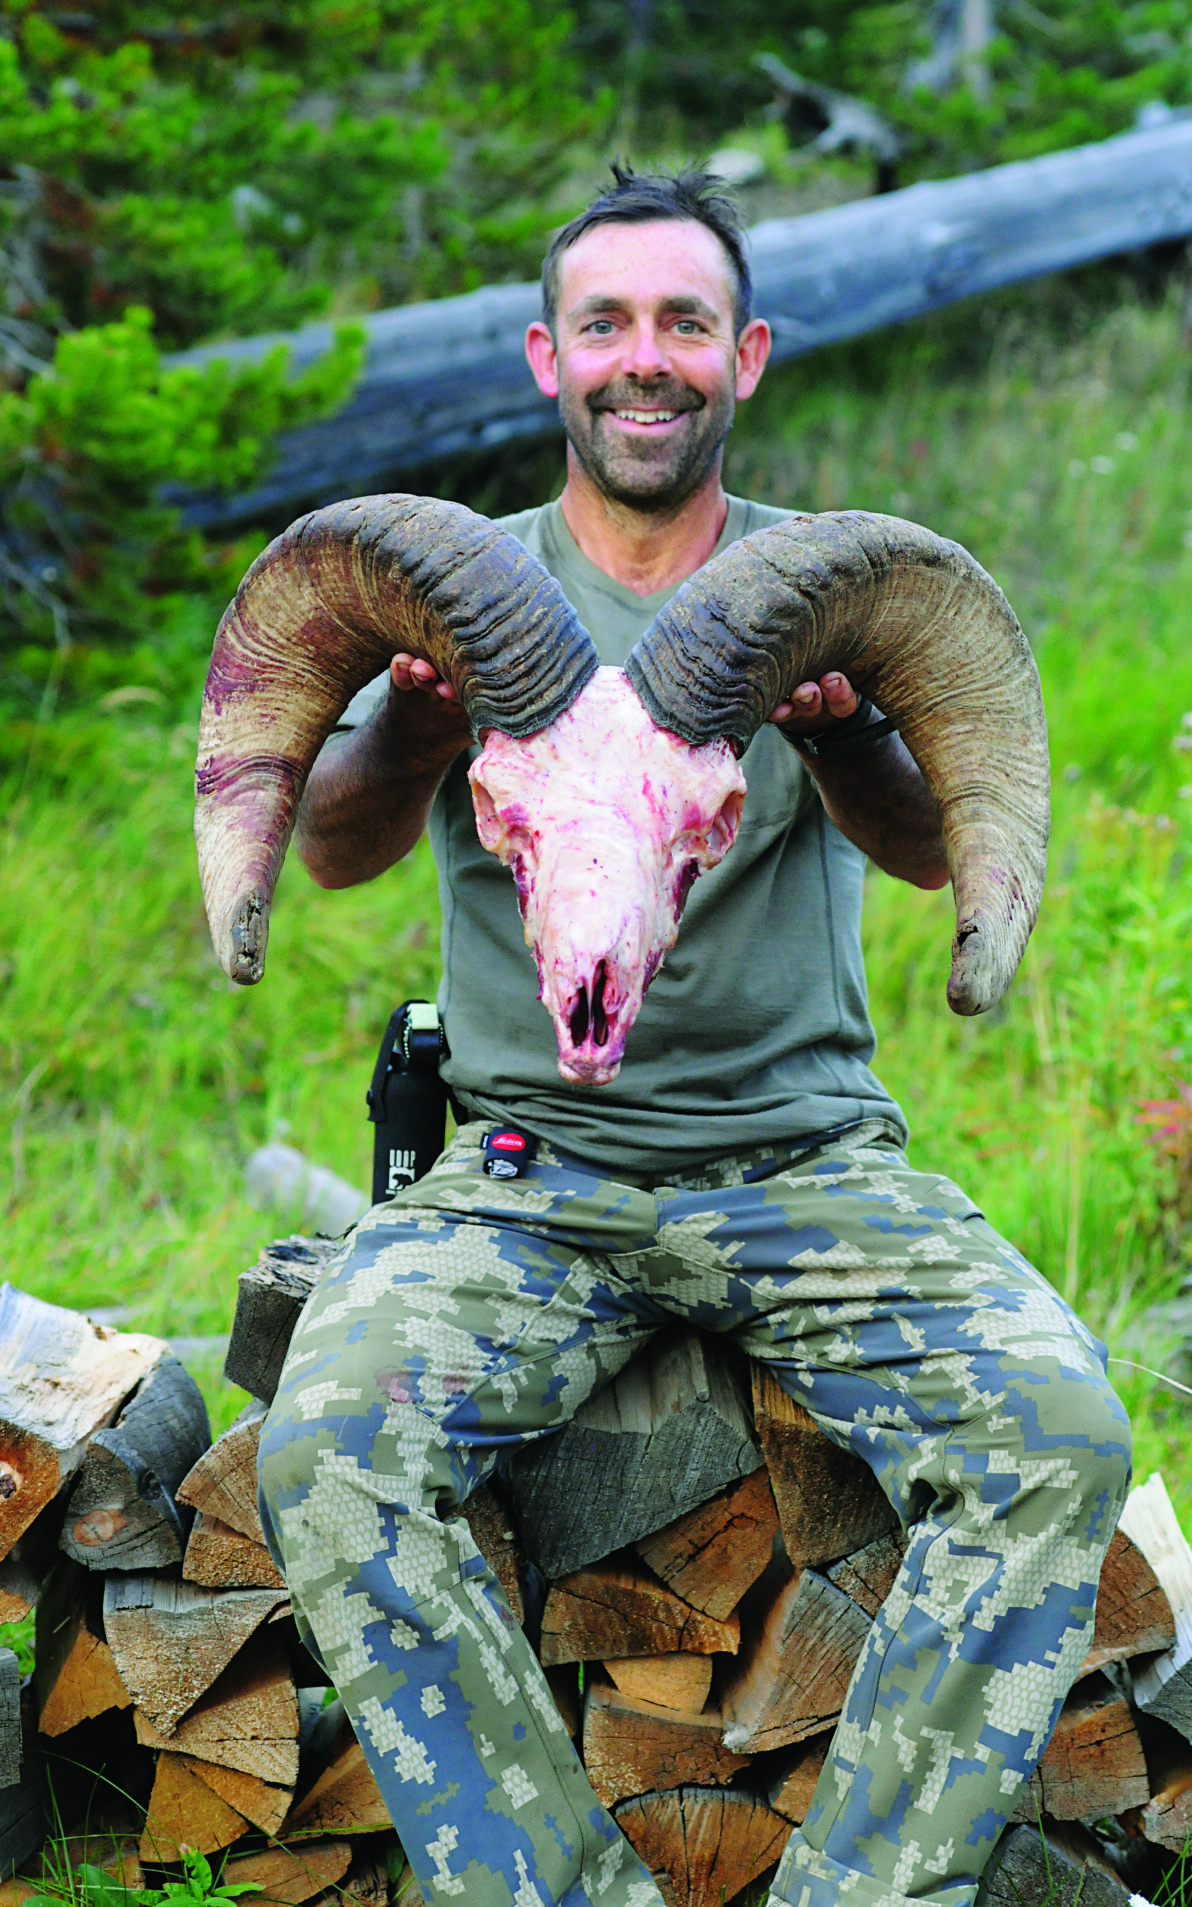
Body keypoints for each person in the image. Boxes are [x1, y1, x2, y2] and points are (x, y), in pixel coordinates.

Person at [253, 167, 1130, 1907]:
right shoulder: (462, 584)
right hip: (522, 1177)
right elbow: (336, 847)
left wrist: (856, 737)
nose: (642, 361)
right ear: (544, 356)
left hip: (799, 1162)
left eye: (682, 325)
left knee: (1061, 1433)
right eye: (606, 325)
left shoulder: (816, 586)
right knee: (325, 1454)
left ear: (749, 356)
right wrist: (417, 742)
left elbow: (947, 848)